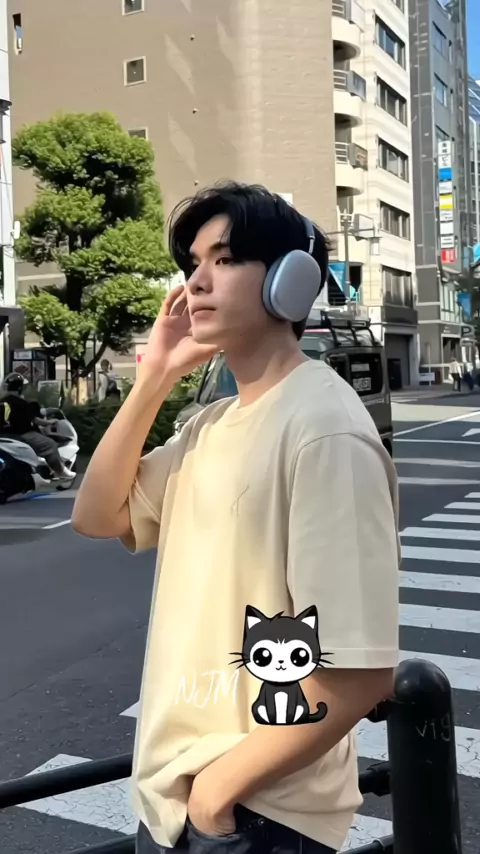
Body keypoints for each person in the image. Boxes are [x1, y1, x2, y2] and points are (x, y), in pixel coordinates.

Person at [72, 182, 400, 854]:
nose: (195, 281)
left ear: (289, 280)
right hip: (178, 805)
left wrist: (218, 795)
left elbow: (361, 672)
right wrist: (155, 376)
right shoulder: (211, 424)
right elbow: (97, 515)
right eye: (193, 264)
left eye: (223, 259)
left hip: (257, 814)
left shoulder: (324, 429)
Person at [0, 372, 75, 479]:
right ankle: (59, 470)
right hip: (22, 435)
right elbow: (36, 420)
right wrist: (50, 422)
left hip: (4, 436)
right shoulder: (21, 403)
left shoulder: (2, 402)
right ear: (20, 388)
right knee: (50, 444)